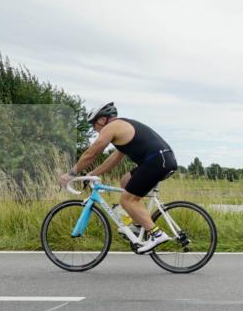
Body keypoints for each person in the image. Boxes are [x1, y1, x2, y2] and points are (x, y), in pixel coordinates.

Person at [59, 102, 177, 253]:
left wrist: (71, 173)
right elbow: (113, 160)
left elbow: (91, 153)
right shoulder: (122, 129)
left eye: (93, 124)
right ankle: (138, 224)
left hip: (156, 162)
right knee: (125, 181)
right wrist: (92, 174)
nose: (94, 129)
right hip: (162, 160)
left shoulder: (112, 127)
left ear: (102, 120)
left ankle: (157, 234)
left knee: (127, 200)